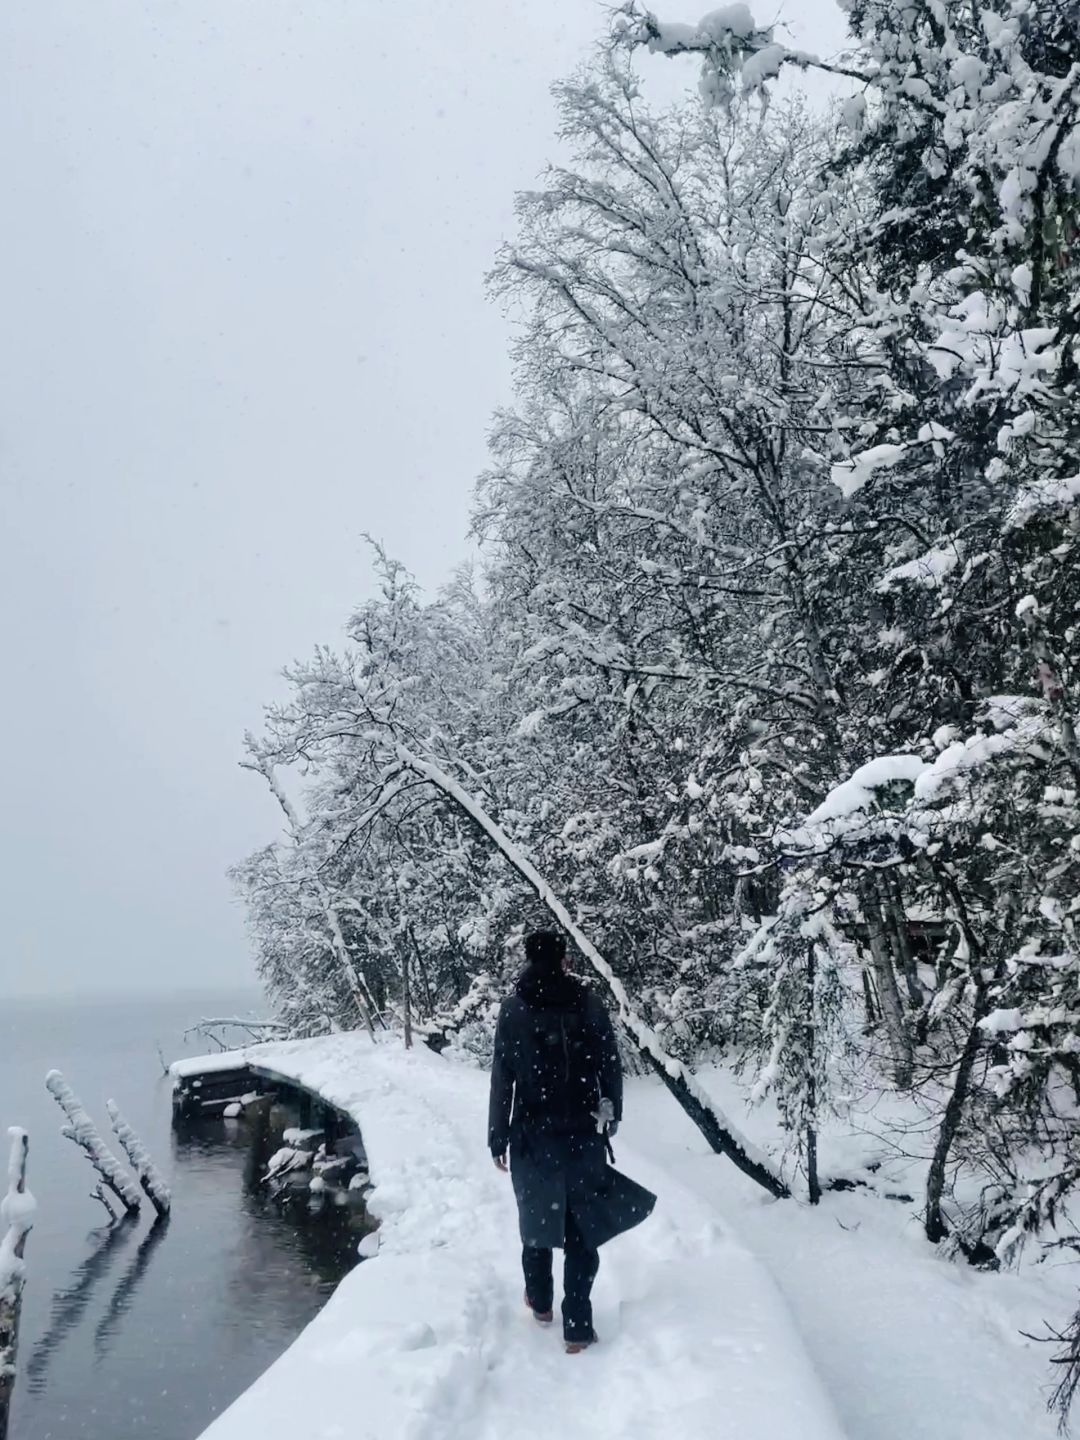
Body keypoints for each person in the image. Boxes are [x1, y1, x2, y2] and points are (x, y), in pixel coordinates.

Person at [488, 929, 654, 1354]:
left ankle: (541, 1303)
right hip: (581, 1132)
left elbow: (502, 1077)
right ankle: (577, 1326)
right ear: (563, 959)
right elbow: (609, 1063)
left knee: (536, 1219)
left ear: (527, 959)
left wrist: (497, 1136)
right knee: (581, 1228)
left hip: (531, 1132)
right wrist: (611, 1112)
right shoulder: (587, 1003)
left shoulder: (513, 1009)